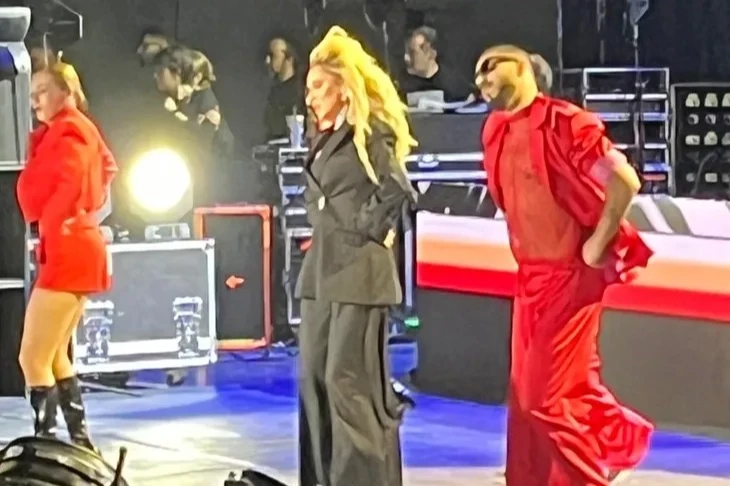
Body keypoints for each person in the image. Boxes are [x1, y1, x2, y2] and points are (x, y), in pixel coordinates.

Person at [475, 44, 654, 485]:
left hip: (570, 277)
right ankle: (615, 444)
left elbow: (624, 181)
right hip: (530, 278)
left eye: (489, 67)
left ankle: (588, 475)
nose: (480, 80)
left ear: (522, 67)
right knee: (540, 394)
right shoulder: (496, 129)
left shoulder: (565, 123)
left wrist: (597, 243)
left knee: (543, 398)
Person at [296, 26, 418, 486]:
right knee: (314, 379)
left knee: (347, 383)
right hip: (321, 274)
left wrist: (363, 228)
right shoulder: (324, 138)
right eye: (308, 88)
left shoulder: (370, 134)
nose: (310, 97)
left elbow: (398, 190)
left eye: (318, 87)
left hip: (359, 273)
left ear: (344, 88)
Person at [16, 58, 117, 455]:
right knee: (55, 354)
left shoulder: (70, 131)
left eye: (42, 92)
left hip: (69, 251)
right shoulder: (75, 130)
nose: (35, 101)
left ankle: (46, 447)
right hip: (73, 247)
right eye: (33, 94)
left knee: (32, 357)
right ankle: (78, 442)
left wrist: (65, 220)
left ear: (67, 92)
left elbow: (67, 187)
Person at [152, 44, 235, 202]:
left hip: (208, 183)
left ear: (177, 73)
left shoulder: (204, 99)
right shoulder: (166, 99)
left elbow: (201, 139)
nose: (156, 76)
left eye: (161, 71)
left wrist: (175, 114)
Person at [399, 26, 474, 103]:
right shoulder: (400, 85)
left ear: (431, 53)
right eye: (407, 51)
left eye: (413, 52)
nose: (406, 57)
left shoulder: (454, 85)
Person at [263, 36, 306, 141]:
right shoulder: (273, 92)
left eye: (273, 55)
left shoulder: (301, 91)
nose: (267, 61)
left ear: (289, 58)